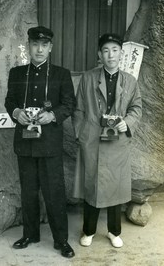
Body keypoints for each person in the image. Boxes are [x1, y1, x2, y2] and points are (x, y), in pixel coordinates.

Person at [5, 26, 76, 258]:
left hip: (50, 144)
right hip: (25, 144)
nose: (39, 49)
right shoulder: (16, 73)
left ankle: (61, 240)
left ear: (50, 48)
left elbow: (69, 104)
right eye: (35, 44)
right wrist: (17, 113)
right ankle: (30, 234)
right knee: (28, 192)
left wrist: (52, 115)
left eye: (44, 45)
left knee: (54, 193)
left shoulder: (61, 74)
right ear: (29, 46)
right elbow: (9, 101)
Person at [73, 33, 142, 248]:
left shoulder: (130, 81)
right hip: (93, 140)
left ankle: (114, 231)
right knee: (92, 186)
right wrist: (82, 135)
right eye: (105, 50)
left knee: (115, 187)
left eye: (114, 50)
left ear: (121, 53)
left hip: (117, 142)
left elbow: (136, 108)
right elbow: (78, 109)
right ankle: (89, 230)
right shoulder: (88, 78)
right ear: (99, 54)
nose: (110, 55)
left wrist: (127, 123)